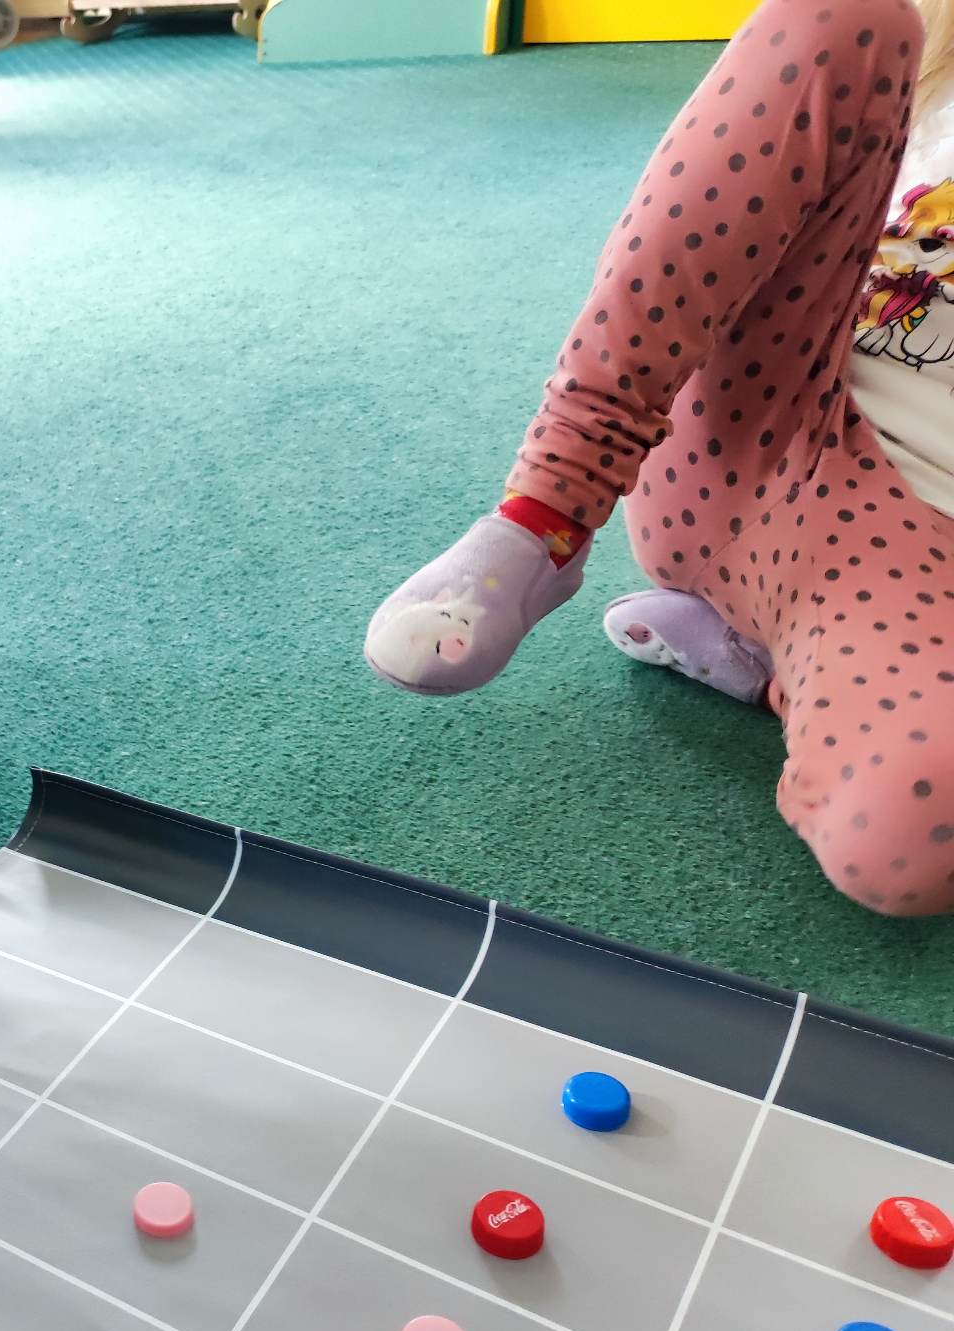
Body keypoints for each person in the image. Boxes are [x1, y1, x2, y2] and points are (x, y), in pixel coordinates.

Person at [366, 0, 954, 915]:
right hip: (778, 426)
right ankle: (543, 520)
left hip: (913, 566)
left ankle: (774, 668)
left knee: (906, 835)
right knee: (842, 14)